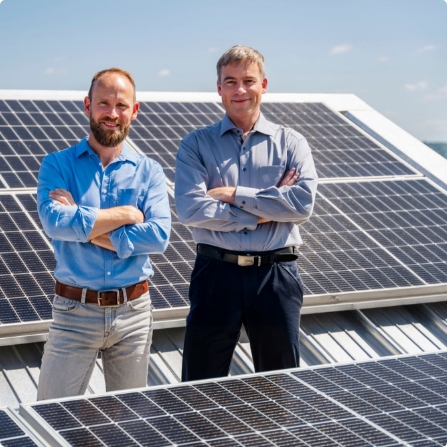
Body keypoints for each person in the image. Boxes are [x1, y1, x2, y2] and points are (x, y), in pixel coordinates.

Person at [175, 45, 318, 381]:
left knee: (279, 384)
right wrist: (266, 210)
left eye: (248, 80)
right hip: (215, 275)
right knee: (200, 386)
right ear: (219, 88)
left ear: (263, 85)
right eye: (230, 81)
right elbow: (191, 208)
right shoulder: (196, 144)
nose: (240, 89)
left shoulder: (291, 143)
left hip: (276, 276)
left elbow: (301, 203)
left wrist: (233, 195)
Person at [36, 68, 171, 400]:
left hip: (134, 314)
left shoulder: (149, 171)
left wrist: (81, 226)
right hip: (74, 314)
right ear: (88, 106)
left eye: (121, 105)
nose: (112, 113)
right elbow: (54, 223)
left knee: (129, 419)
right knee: (51, 413)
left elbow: (158, 236)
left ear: (134, 111)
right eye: (104, 103)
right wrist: (127, 215)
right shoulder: (57, 164)